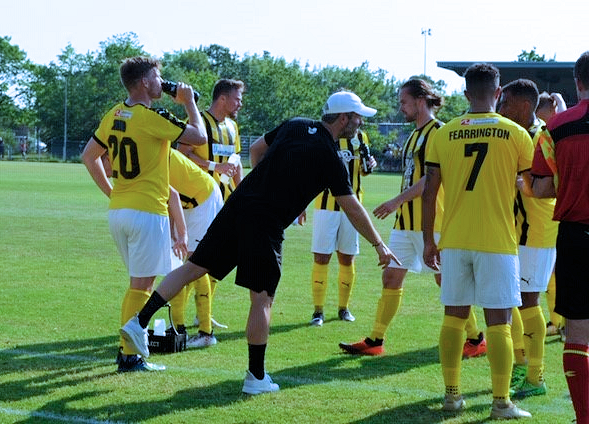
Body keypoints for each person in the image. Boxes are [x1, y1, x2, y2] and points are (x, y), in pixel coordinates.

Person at [120, 91, 399, 395]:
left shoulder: (295, 124)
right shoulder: (329, 154)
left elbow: (256, 150)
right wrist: (379, 245)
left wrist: (267, 183)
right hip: (264, 222)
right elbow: (352, 207)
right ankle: (256, 377)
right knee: (262, 299)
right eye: (357, 117)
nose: (359, 123)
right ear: (344, 118)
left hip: (239, 205)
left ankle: (140, 321)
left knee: (194, 267)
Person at [339, 78, 486, 357]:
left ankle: (476, 339)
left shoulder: (439, 132)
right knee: (391, 277)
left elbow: (432, 180)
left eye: (404, 102)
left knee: (446, 281)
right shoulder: (414, 134)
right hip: (405, 224)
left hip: (432, 221)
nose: (400, 107)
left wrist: (397, 200)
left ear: (421, 101)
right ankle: (376, 340)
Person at [81, 56, 207, 372]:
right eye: (156, 76)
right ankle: (129, 356)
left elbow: (89, 156)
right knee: (142, 286)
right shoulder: (151, 116)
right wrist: (190, 104)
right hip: (147, 212)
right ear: (143, 82)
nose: (160, 81)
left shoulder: (114, 114)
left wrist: (113, 193)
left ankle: (128, 353)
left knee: (137, 283)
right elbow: (200, 137)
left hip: (120, 212)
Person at [422, 63, 534, 419]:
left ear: (466, 93)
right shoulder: (516, 134)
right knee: (498, 321)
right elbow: (531, 187)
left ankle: (452, 396)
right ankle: (501, 402)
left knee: (453, 318)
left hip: (454, 239)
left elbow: (428, 192)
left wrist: (429, 239)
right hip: (497, 240)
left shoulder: (443, 133)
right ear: (498, 93)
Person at [531, 51, 589, 424]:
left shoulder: (556, 126)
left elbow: (539, 188)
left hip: (576, 236)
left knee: (579, 334)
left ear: (577, 82)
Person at [498, 78, 556, 398]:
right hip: (518, 231)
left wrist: (525, 184)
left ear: (523, 106)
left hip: (537, 231)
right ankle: (522, 364)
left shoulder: (541, 136)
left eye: (505, 104)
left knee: (529, 301)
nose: (501, 109)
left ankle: (536, 377)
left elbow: (546, 186)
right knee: (515, 300)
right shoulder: (518, 135)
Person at [176, 79, 246, 331]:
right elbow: (182, 152)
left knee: (215, 260)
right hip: (199, 202)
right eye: (237, 98)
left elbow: (235, 163)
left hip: (224, 203)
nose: (240, 103)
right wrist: (214, 167)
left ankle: (202, 313)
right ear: (223, 99)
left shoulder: (232, 126)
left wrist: (243, 194)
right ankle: (180, 318)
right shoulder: (199, 123)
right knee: (195, 260)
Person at [309, 129, 376, 326]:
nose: (359, 120)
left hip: (352, 206)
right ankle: (318, 311)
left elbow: (364, 169)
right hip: (325, 205)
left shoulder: (362, 137)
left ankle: (343, 308)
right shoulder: (325, 134)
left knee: (347, 257)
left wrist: (370, 164)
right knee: (321, 257)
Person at [167, 148, 224, 348]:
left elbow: (170, 195)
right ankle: (178, 328)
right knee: (178, 264)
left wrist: (177, 231)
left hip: (203, 198)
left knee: (195, 262)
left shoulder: (154, 153)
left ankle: (206, 333)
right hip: (187, 203)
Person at [535, 91, 568, 340]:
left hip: (547, 211)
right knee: (553, 273)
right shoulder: (551, 130)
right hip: (552, 210)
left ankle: (561, 321)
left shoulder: (547, 133)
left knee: (550, 274)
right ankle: (559, 321)